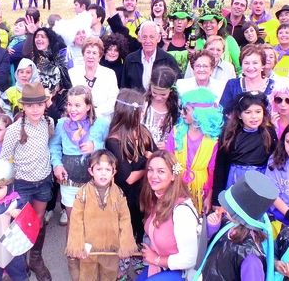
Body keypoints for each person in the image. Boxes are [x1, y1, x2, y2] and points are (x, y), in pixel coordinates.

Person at [50, 85, 109, 279]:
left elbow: (109, 149)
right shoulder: (61, 124)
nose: (72, 109)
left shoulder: (100, 124)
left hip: (93, 183)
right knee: (74, 221)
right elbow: (55, 147)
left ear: (89, 106)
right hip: (69, 184)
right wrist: (57, 164)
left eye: (78, 105)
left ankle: (91, 256)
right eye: (69, 105)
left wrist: (96, 145)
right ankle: (73, 258)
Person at [0, 82, 55, 281]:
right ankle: (19, 261)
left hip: (44, 180)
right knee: (20, 222)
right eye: (30, 106)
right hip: (22, 183)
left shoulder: (49, 123)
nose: (35, 109)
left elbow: (49, 146)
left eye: (39, 105)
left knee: (38, 220)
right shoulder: (14, 130)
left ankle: (36, 259)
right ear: (23, 106)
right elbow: (4, 158)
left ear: (45, 104)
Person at [66, 149, 137, 281]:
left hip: (111, 248)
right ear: (91, 171)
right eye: (99, 169)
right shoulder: (83, 193)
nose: (103, 173)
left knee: (109, 274)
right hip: (88, 247)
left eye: (108, 170)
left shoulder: (119, 194)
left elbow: (125, 219)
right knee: (87, 275)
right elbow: (76, 220)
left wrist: (125, 244)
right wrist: (77, 245)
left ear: (113, 172)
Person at [105, 90, 156, 268]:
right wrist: (148, 162)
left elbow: (156, 155)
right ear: (132, 112)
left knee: (143, 223)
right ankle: (124, 263)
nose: (144, 113)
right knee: (128, 227)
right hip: (126, 196)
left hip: (144, 192)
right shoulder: (114, 140)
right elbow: (128, 178)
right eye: (142, 110)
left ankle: (140, 256)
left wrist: (144, 162)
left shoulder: (144, 132)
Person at [200, 171, 278, 281]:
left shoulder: (251, 258)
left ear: (240, 215)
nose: (223, 206)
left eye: (229, 206)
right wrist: (212, 228)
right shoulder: (229, 224)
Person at [136, 150, 201, 280]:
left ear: (173, 176)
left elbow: (189, 260)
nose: (153, 176)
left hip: (181, 272)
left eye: (161, 171)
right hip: (162, 265)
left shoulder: (182, 211)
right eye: (150, 170)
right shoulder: (157, 199)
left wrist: (157, 259)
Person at [212, 91, 277, 205]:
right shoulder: (229, 134)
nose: (254, 117)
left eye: (258, 112)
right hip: (235, 181)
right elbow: (220, 166)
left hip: (259, 182)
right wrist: (216, 199)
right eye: (248, 112)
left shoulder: (269, 133)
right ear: (239, 115)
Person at [166, 88, 223, 214]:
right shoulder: (176, 132)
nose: (182, 113)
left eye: (186, 110)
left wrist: (209, 197)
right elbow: (168, 160)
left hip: (201, 189)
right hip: (177, 186)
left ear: (199, 113)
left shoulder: (212, 139)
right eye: (182, 108)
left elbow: (212, 171)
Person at [68, 37, 118, 121]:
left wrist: (94, 112)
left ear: (100, 56)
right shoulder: (72, 73)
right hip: (77, 121)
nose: (90, 56)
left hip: (102, 121)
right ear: (83, 54)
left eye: (94, 53)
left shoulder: (109, 74)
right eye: (88, 52)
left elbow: (113, 101)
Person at [121, 21, 179, 90]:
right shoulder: (130, 60)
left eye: (152, 37)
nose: (148, 41)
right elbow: (124, 88)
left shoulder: (168, 60)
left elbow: (176, 87)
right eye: (144, 37)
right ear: (139, 38)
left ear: (158, 38)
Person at [219, 45, 275, 114]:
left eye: (255, 63)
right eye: (246, 63)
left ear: (263, 65)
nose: (251, 67)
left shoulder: (273, 86)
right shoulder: (232, 85)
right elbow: (223, 112)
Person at [196, 0, 241, 75]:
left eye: (211, 22)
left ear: (219, 24)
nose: (208, 25)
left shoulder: (229, 41)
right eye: (205, 22)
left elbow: (240, 67)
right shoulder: (197, 42)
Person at [143, 66, 181, 149]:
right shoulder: (143, 104)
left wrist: (169, 143)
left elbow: (180, 133)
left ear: (171, 90)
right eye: (154, 93)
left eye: (163, 94)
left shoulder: (177, 108)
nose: (158, 98)